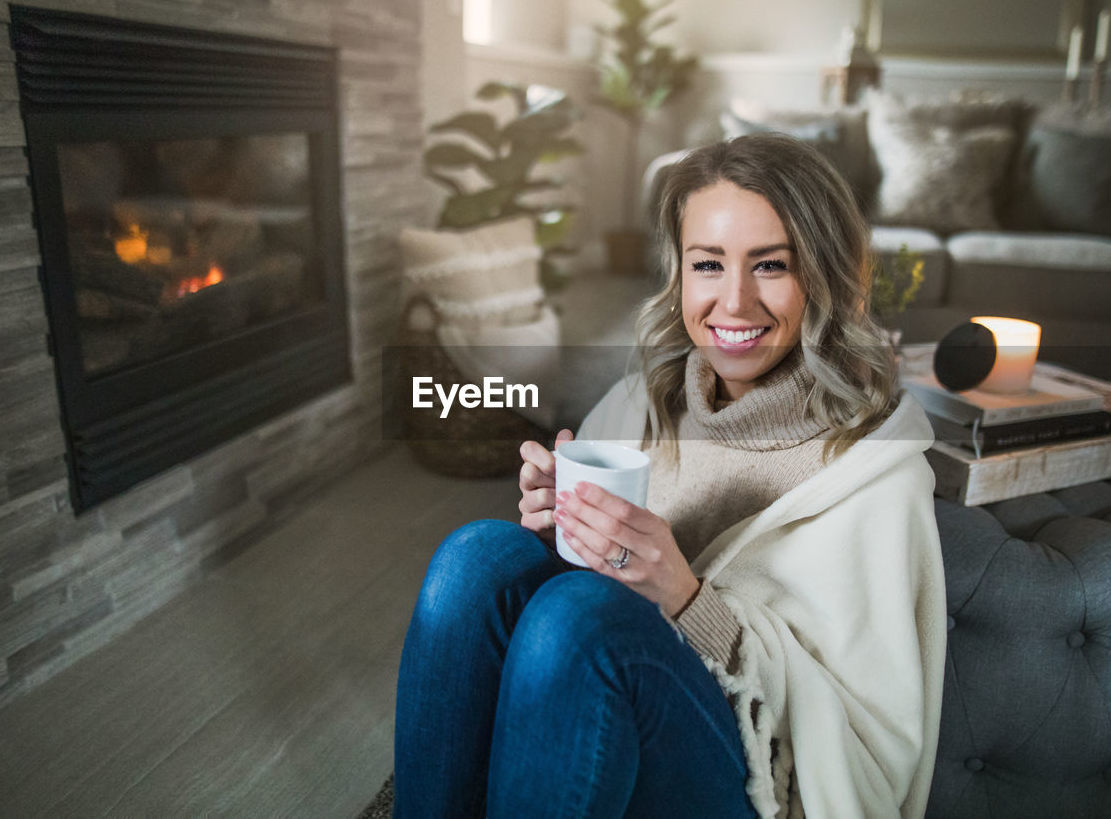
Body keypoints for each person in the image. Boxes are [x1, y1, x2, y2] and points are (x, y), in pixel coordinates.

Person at [394, 133, 946, 819]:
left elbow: (871, 749)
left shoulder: (873, 472)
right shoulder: (644, 400)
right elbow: (566, 587)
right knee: (477, 556)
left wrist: (685, 597)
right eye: (708, 264)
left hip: (758, 777)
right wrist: (559, 519)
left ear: (825, 275)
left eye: (770, 265)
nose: (734, 301)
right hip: (613, 702)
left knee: (580, 619)